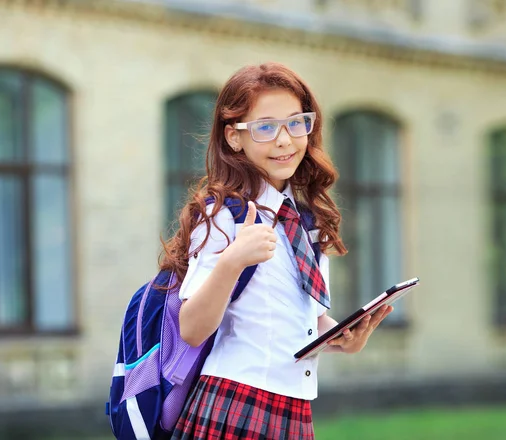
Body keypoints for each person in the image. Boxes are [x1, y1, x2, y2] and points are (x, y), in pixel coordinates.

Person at [160, 62, 394, 440]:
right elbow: (191, 329)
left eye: (296, 123)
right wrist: (233, 260)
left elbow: (305, 320)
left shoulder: (307, 221)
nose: (285, 141)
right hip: (234, 404)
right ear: (234, 138)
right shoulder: (224, 213)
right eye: (265, 128)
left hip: (293, 410)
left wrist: (343, 339)